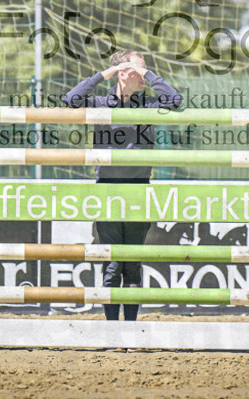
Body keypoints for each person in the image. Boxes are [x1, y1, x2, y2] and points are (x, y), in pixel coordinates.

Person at [63, 49, 182, 321]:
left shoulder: (149, 104)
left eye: (145, 72)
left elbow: (175, 100)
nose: (143, 77)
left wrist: (148, 74)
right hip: (107, 189)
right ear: (123, 72)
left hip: (140, 189)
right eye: (139, 70)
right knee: (112, 264)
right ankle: (111, 327)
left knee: (132, 264)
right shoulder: (100, 104)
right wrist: (104, 74)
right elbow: (70, 100)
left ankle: (130, 327)